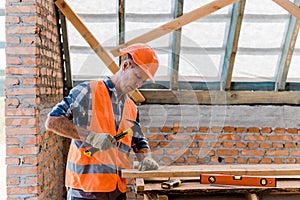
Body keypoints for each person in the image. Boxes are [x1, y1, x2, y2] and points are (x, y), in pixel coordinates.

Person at [45, 43, 159, 200]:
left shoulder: (132, 107)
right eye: (138, 76)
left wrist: (146, 158)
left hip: (117, 190)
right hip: (86, 189)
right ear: (125, 65)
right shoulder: (87, 91)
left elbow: (138, 141)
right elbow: (53, 121)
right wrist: (91, 137)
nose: (138, 84)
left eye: (143, 81)